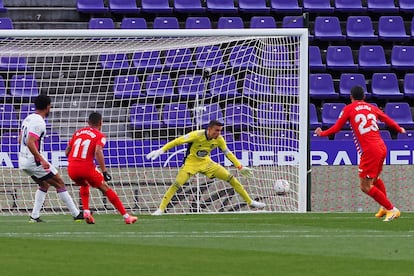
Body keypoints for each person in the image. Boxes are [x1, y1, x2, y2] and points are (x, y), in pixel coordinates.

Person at [314, 86, 406, 222]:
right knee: (374, 180)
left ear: (351, 97)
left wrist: (322, 133)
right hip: (381, 146)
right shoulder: (371, 107)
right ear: (364, 97)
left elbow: (337, 128)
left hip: (370, 150)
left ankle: (391, 209)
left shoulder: (349, 109)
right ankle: (384, 207)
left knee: (365, 186)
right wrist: (399, 129)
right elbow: (386, 118)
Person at [146, 119, 266, 215]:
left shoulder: (219, 139)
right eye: (216, 130)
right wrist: (161, 150)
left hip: (207, 163)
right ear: (209, 129)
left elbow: (228, 153)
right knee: (176, 185)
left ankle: (250, 202)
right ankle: (160, 210)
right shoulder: (196, 135)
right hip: (190, 164)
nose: (218, 133)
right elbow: (177, 141)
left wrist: (240, 167)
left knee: (231, 178)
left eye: (220, 131)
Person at [19, 94, 83, 223]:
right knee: (59, 182)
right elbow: (31, 142)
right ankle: (77, 214)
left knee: (44, 184)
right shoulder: (39, 122)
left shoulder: (28, 118)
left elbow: (21, 138)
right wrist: (41, 159)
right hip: (34, 161)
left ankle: (34, 216)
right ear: (48, 107)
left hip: (23, 160)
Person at [65, 112, 137, 224]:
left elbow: (67, 151)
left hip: (72, 169)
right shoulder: (100, 136)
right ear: (101, 123)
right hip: (86, 168)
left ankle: (86, 211)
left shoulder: (78, 133)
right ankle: (127, 217)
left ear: (88, 122)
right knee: (105, 188)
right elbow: (98, 151)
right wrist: (104, 171)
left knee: (84, 184)